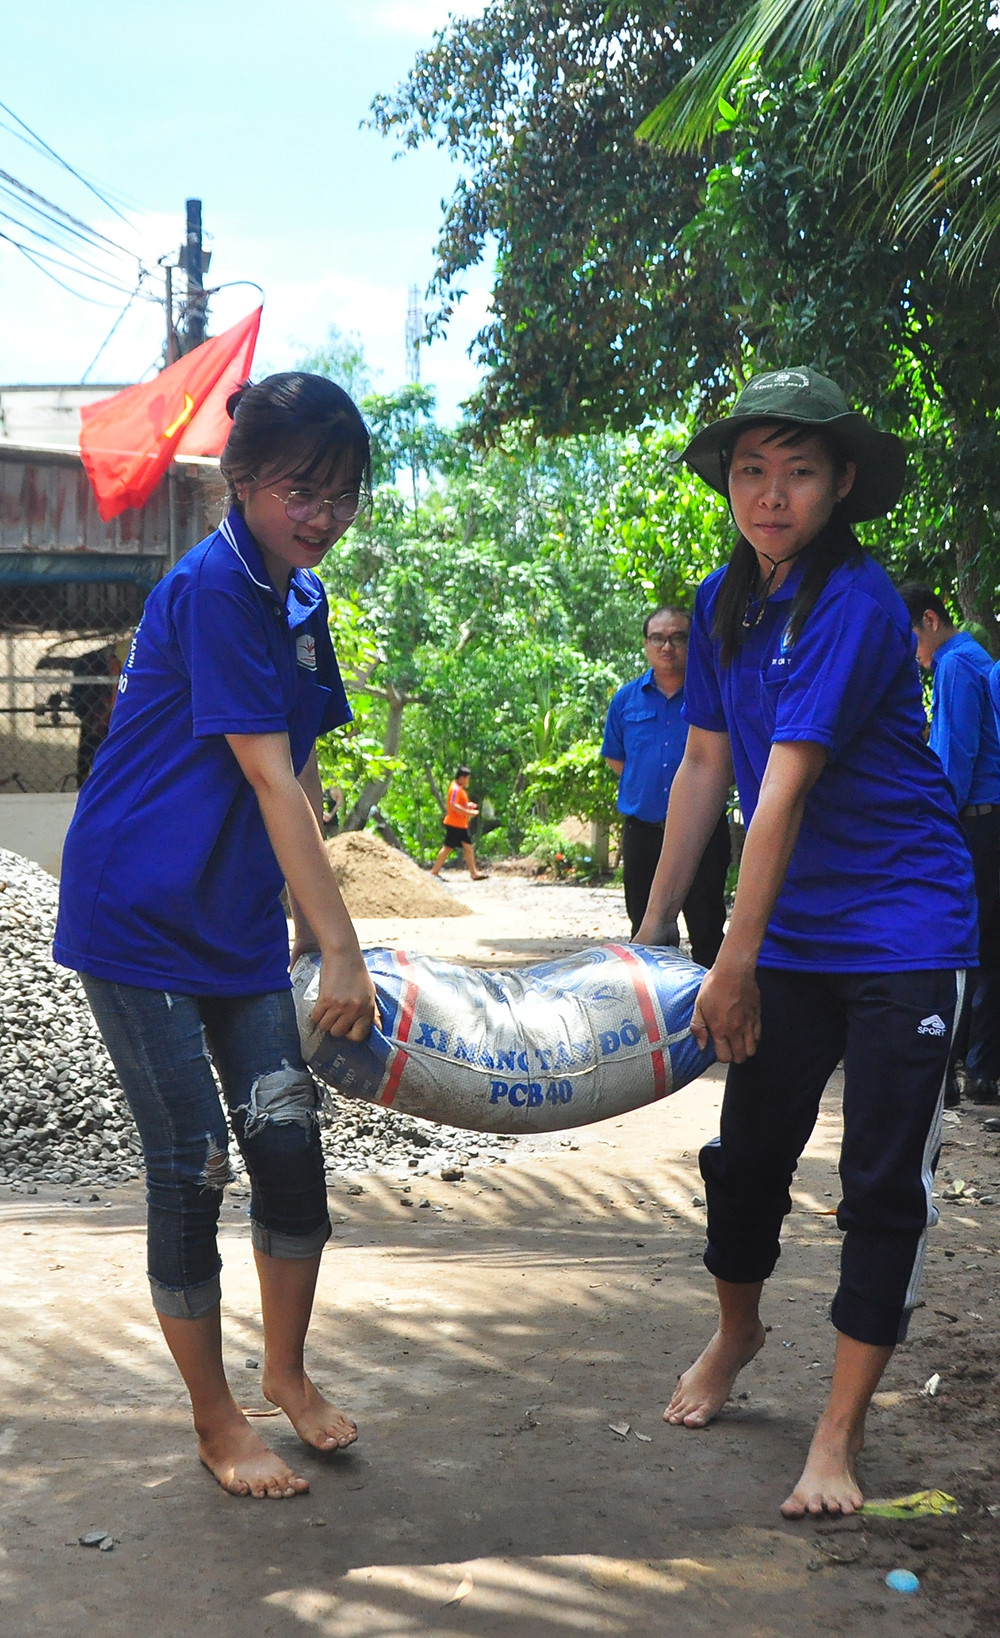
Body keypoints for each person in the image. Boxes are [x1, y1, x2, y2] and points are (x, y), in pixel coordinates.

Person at [634, 366, 976, 1518]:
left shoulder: (859, 603)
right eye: (750, 472)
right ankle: (736, 1338)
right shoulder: (724, 605)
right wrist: (643, 944)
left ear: (838, 487)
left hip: (902, 927)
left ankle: (836, 1434)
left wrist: (731, 960)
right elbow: (701, 768)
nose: (770, 495)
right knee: (746, 1163)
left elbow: (778, 791)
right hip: (792, 937)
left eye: (797, 473)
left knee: (882, 1183)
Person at [54, 373, 377, 1500]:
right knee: (191, 1161)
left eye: (342, 493)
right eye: (302, 488)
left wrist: (311, 918)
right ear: (241, 482)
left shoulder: (298, 600)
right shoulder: (217, 589)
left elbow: (306, 765)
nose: (323, 514)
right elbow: (261, 771)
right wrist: (336, 947)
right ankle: (214, 1416)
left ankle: (285, 1374)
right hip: (137, 911)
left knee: (287, 1141)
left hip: (234, 916)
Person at [898, 583, 1000, 1106]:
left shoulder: (957, 665)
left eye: (910, 635)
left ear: (931, 621)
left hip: (973, 819)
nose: (910, 651)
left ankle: (969, 1067)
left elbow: (956, 757)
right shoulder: (973, 659)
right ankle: (976, 1066)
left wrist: (932, 822)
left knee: (965, 945)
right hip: (981, 818)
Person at [602, 606, 730, 959]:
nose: (667, 646)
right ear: (645, 644)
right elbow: (616, 757)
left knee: (707, 927)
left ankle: (706, 1009)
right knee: (645, 928)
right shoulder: (626, 700)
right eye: (657, 638)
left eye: (677, 638)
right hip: (644, 831)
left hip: (703, 831)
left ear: (693, 642)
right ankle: (655, 1010)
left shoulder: (712, 694)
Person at [430, 765, 486, 879]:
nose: (467, 781)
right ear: (460, 778)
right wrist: (468, 812)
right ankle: (435, 871)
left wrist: (467, 805)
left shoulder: (458, 789)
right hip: (455, 824)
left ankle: (473, 873)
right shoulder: (455, 789)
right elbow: (453, 805)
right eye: (466, 779)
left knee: (462, 847)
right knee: (453, 848)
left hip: (459, 824)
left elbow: (458, 803)